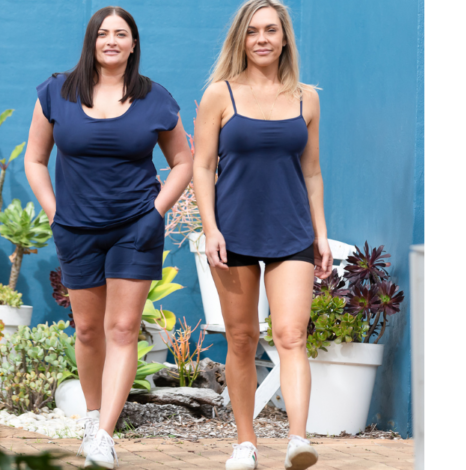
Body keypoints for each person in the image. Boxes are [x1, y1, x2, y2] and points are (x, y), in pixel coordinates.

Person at [24, 6, 193, 469]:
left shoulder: (155, 99)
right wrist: (54, 211)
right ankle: (92, 415)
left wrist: (156, 212)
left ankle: (103, 435)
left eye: (121, 34)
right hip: (75, 229)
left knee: (122, 329)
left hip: (134, 228)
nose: (112, 40)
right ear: (92, 41)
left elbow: (184, 161)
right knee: (87, 328)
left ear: (133, 44)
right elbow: (35, 159)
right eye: (104, 33)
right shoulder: (57, 93)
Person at [193, 1, 333, 469]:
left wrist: (322, 234)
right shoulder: (219, 94)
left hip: (291, 230)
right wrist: (210, 228)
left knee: (291, 334)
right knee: (241, 338)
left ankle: (297, 439)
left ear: (285, 37)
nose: (262, 39)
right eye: (253, 31)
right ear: (241, 39)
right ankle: (245, 442)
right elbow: (202, 165)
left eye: (271, 30)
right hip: (231, 232)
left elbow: (311, 172)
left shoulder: (306, 98)